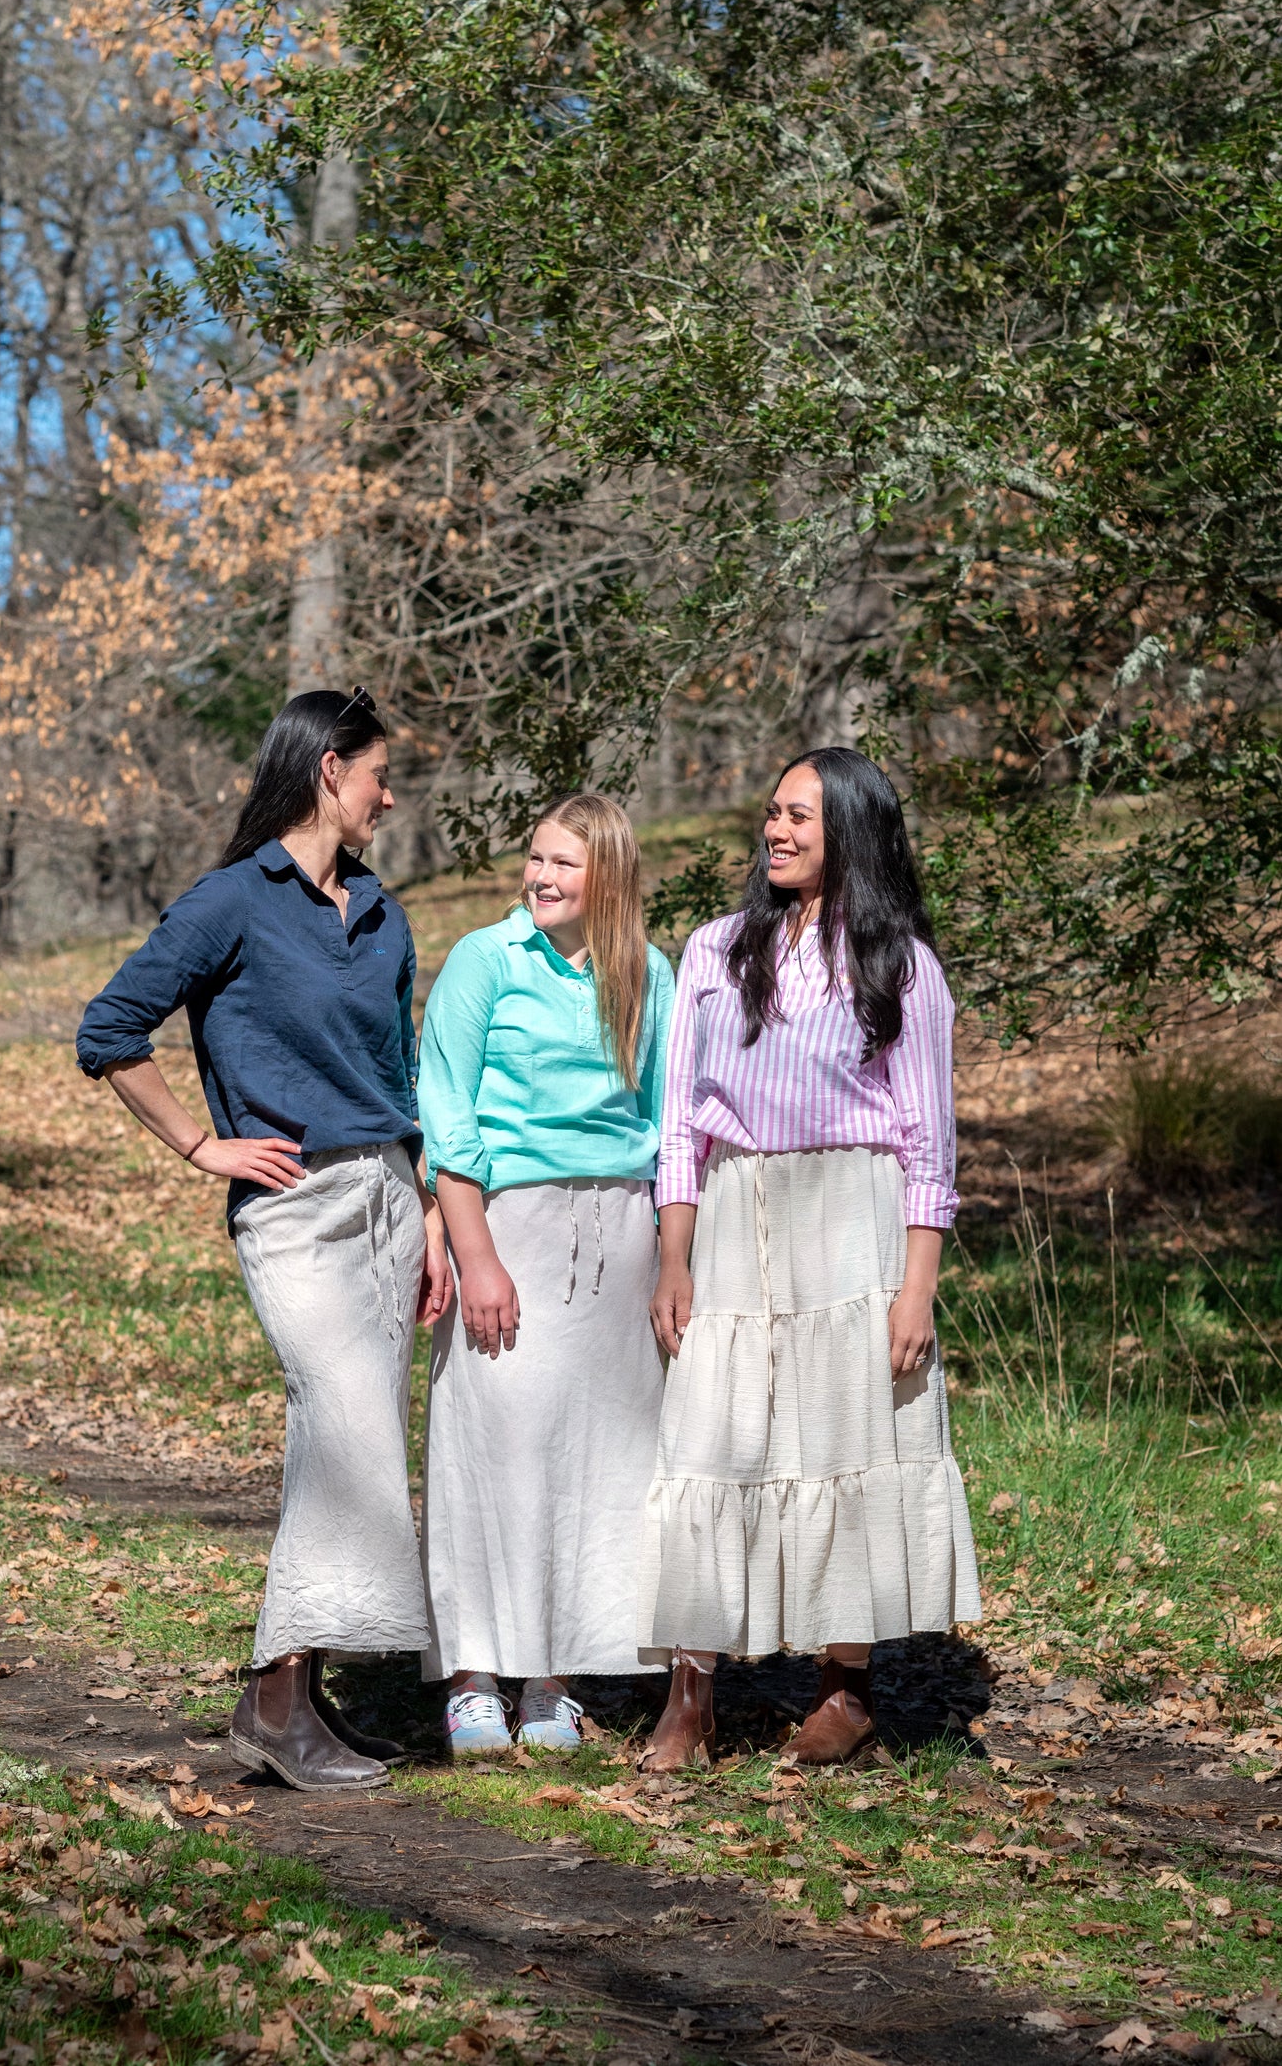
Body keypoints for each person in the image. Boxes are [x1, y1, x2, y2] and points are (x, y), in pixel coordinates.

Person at [75, 689, 452, 1791]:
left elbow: (399, 1072)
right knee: (346, 1431)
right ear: (331, 770)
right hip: (293, 1210)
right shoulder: (232, 900)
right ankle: (277, 1695)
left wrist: (429, 1209)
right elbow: (109, 1028)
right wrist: (201, 1145)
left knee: (349, 1440)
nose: (390, 795)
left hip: (389, 1199)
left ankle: (291, 1697)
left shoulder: (379, 910)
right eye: (379, 773)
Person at [639, 746, 980, 1770]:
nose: (776, 831)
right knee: (709, 1439)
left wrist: (915, 1286)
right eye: (773, 812)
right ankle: (689, 1694)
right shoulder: (714, 949)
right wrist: (673, 1255)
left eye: (801, 816)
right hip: (735, 1209)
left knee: (845, 1440)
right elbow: (679, 1120)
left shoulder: (901, 967)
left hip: (852, 1220)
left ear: (851, 832)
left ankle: (845, 1688)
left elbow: (927, 1141)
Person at [417, 794, 675, 1754]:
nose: (541, 876)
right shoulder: (485, 960)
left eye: (564, 863)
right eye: (535, 857)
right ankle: (474, 1674)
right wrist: (474, 1251)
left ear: (607, 876)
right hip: (511, 1226)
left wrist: (671, 1256)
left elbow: (667, 1119)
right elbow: (446, 1108)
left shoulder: (648, 973)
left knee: (594, 1461)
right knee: (496, 1446)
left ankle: (552, 1678)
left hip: (621, 1232)